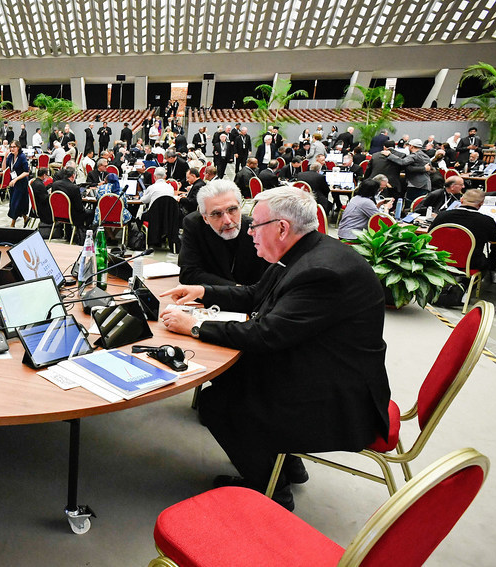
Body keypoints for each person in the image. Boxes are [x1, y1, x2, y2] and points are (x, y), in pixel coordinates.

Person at [159, 187, 391, 511]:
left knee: (217, 404)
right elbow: (256, 294)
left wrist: (195, 326)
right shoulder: (305, 250)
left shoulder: (320, 272)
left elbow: (266, 334)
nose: (249, 231)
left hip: (340, 395)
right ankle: (286, 465)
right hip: (324, 364)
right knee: (229, 377)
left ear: (281, 228)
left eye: (255, 224)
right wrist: (203, 291)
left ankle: (271, 491)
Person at [178, 180, 268, 286]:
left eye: (232, 209)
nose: (227, 221)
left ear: (240, 207)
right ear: (205, 218)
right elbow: (188, 274)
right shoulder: (195, 225)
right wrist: (236, 290)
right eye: (216, 214)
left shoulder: (258, 229)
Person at [429, 189, 496, 271]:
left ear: (461, 200)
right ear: (481, 203)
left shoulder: (442, 215)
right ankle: (491, 268)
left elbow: (429, 235)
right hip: (470, 264)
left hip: (440, 260)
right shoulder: (486, 221)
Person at [4, 141, 31, 227]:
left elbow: (26, 172)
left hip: (21, 182)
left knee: (15, 202)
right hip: (13, 182)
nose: (12, 149)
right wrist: (5, 157)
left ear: (18, 147)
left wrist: (16, 179)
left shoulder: (22, 157)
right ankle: (25, 218)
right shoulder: (11, 156)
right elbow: (4, 168)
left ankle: (12, 224)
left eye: (14, 147)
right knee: (19, 202)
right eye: (11, 147)